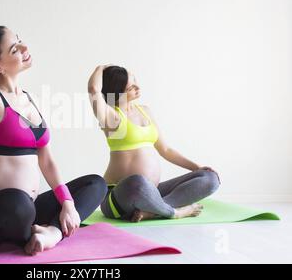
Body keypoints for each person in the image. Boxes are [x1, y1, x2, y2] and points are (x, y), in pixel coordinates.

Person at [0, 20, 107, 255]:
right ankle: (36, 232)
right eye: (14, 49)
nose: (24, 48)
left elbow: (46, 160)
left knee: (96, 184)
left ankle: (51, 233)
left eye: (20, 40)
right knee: (17, 202)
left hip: (26, 210)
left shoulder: (31, 99)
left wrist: (66, 202)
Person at [87, 64, 220, 222]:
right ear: (118, 92)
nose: (138, 87)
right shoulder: (111, 117)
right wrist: (100, 68)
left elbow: (165, 150)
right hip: (119, 196)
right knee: (138, 181)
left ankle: (154, 210)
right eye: (131, 87)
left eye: (135, 80)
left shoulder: (145, 111)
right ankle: (174, 212)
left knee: (210, 179)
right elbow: (94, 89)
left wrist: (196, 168)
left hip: (150, 192)